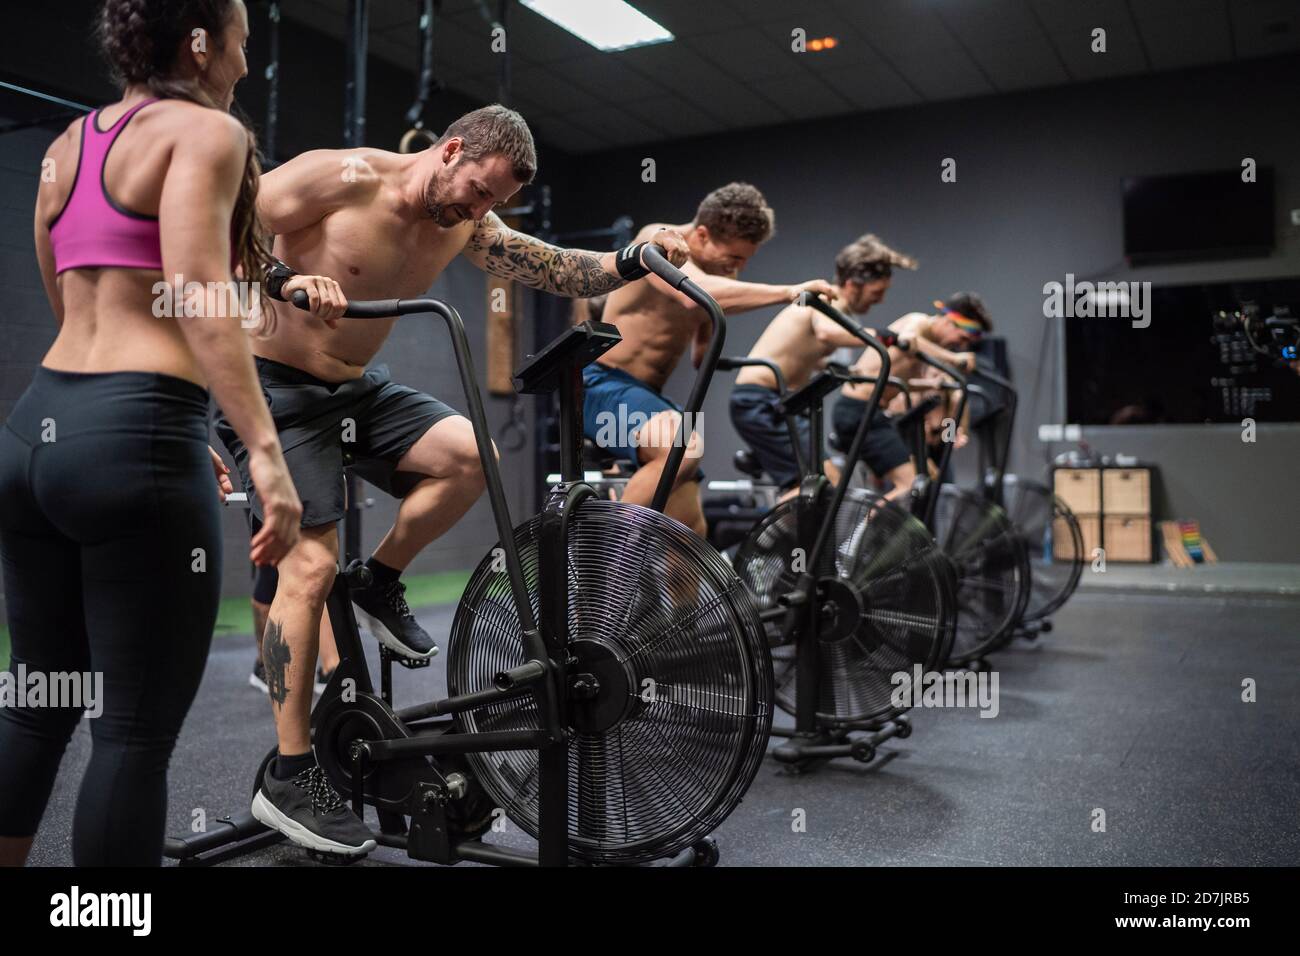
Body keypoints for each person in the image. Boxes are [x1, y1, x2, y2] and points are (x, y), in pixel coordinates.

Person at [212, 103, 690, 858]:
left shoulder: (467, 222)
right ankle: (290, 774)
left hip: (359, 389)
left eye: (492, 203)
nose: (479, 210)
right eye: (477, 190)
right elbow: (217, 227)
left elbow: (554, 264)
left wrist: (633, 258)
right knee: (307, 565)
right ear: (451, 148)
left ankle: (379, 581)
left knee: (472, 457)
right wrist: (282, 279)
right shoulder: (340, 177)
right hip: (274, 386)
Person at [0, 0, 301, 867]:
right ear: (200, 42)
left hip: (37, 435)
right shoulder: (207, 134)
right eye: (242, 36)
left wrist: (122, 418)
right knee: (130, 732)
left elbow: (60, 285)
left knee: (37, 704)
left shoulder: (68, 143)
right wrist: (266, 457)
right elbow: (200, 291)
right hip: (134, 438)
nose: (248, 57)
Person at [582, 183, 838, 535]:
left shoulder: (719, 273)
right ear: (701, 234)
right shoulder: (655, 240)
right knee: (682, 445)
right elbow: (693, 296)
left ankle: (678, 584)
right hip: (601, 382)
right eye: (734, 257)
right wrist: (789, 292)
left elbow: (701, 353)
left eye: (746, 259)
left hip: (646, 398)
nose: (739, 266)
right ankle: (605, 557)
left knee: (688, 536)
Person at [729, 234, 916, 498]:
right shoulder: (827, 300)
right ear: (852, 284)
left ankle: (788, 540)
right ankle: (769, 540)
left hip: (783, 405)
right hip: (761, 402)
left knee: (819, 486)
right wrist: (889, 337)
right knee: (823, 485)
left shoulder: (838, 310)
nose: (880, 301)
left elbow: (809, 354)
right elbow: (826, 333)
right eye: (877, 292)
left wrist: (850, 373)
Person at [832, 293, 991, 498]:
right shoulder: (918, 322)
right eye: (961, 339)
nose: (958, 346)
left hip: (890, 423)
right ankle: (869, 529)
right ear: (949, 322)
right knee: (909, 486)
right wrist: (954, 359)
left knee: (929, 488)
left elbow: (952, 426)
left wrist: (950, 428)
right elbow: (909, 341)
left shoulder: (946, 386)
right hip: (862, 411)